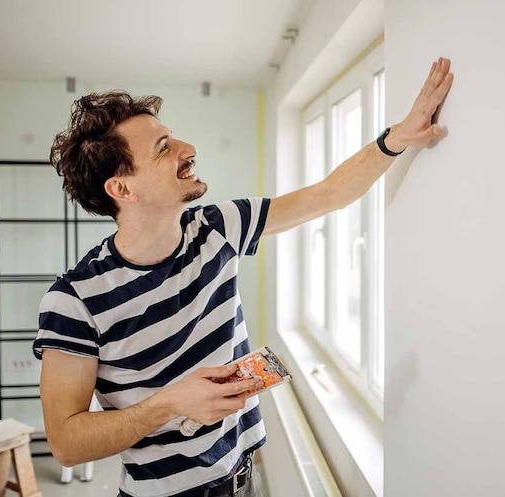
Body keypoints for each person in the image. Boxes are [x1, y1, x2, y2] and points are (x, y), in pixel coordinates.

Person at [34, 57, 454, 496]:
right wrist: (170, 404)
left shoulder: (218, 227)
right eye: (163, 147)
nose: (187, 147)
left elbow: (329, 194)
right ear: (122, 189)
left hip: (243, 476)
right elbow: (66, 443)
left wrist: (397, 138)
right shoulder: (74, 301)